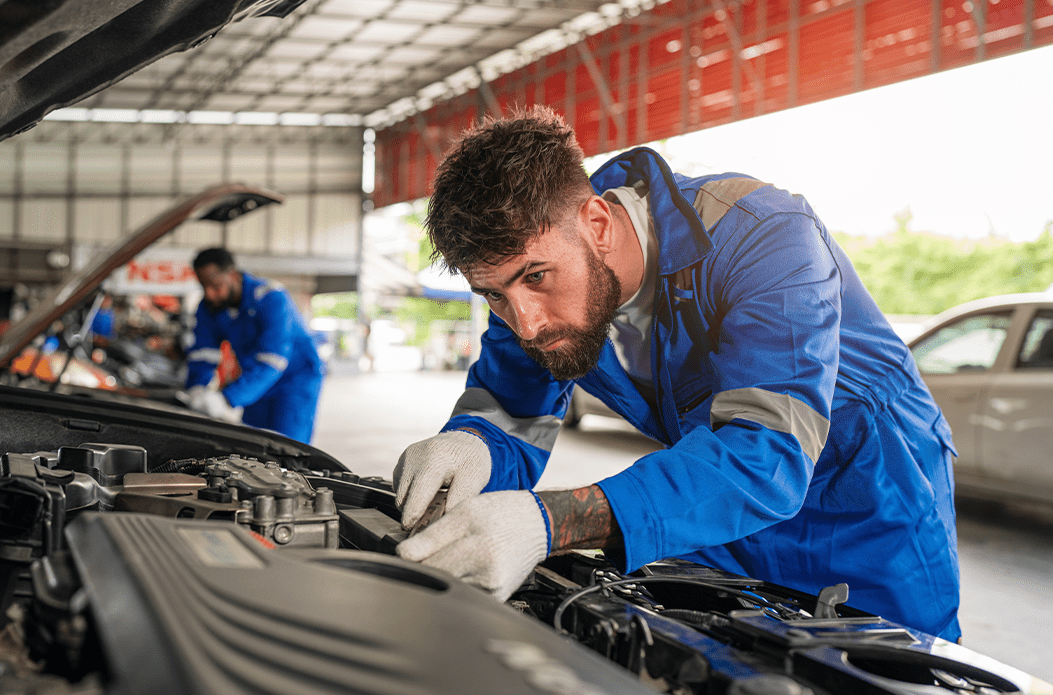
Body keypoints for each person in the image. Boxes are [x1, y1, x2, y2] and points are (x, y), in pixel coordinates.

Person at [393, 106, 962, 641]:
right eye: (493, 295)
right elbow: (509, 411)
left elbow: (765, 451)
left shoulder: (762, 235)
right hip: (707, 506)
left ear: (596, 222)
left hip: (871, 508)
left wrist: (554, 522)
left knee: (893, 675)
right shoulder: (528, 292)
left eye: (537, 277)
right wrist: (468, 445)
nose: (525, 325)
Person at [184, 248, 324, 443]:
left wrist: (227, 399)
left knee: (287, 449)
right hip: (255, 381)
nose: (209, 294)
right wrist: (197, 388)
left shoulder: (271, 298)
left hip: (294, 382)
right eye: (203, 286)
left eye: (215, 285)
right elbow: (203, 353)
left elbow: (273, 359)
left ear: (232, 275)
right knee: (253, 446)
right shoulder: (208, 307)